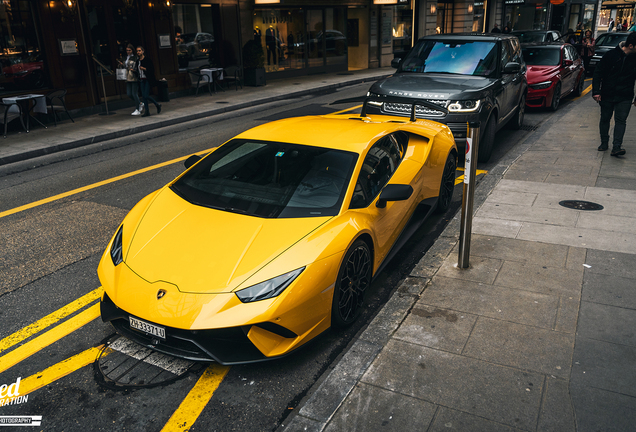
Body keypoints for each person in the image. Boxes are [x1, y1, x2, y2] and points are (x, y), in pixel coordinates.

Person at [592, 32, 636, 156]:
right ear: (631, 46)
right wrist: (596, 92)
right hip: (607, 93)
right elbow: (598, 73)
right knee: (605, 118)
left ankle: (616, 147)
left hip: (625, 95)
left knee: (621, 120)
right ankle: (604, 142)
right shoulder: (611, 55)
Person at [135, 46, 161, 117]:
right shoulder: (137, 61)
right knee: (143, 96)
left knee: (146, 95)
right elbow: (137, 71)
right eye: (137, 51)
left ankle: (157, 104)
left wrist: (144, 68)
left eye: (139, 51)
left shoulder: (147, 60)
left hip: (147, 79)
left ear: (143, 51)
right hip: (141, 79)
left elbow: (152, 70)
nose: (138, 52)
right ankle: (147, 111)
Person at [117, 44, 142, 116]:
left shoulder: (135, 57)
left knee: (134, 93)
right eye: (127, 50)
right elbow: (125, 66)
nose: (128, 52)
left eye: (129, 50)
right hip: (127, 76)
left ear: (132, 50)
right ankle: (140, 103)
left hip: (133, 76)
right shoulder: (125, 57)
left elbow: (137, 66)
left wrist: (134, 70)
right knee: (129, 93)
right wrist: (122, 64)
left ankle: (137, 109)